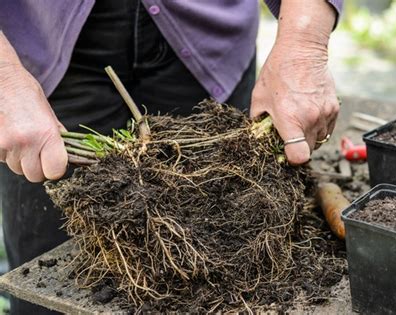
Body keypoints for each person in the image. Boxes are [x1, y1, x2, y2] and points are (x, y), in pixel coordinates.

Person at [0, 0, 342, 313]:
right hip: (37, 52)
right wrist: (5, 81)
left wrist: (303, 45)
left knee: (232, 257)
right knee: (52, 291)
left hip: (209, 39)